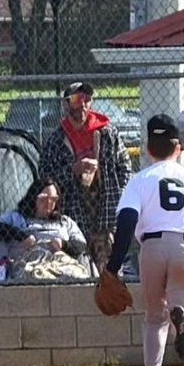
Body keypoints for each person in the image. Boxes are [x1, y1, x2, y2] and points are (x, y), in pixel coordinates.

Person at [104, 115, 184, 366]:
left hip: (152, 248)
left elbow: (126, 223)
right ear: (178, 149)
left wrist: (113, 266)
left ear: (147, 149)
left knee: (154, 316)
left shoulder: (139, 180)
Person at [38, 81, 132, 273]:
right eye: (76, 99)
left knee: (110, 272)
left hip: (105, 213)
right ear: (65, 104)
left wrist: (117, 197)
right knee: (77, 270)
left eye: (87, 99)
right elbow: (45, 178)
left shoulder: (107, 134)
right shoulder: (56, 140)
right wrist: (73, 169)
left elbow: (125, 169)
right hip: (73, 214)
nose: (82, 104)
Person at [0, 177, 88, 282]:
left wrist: (63, 244)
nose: (49, 204)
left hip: (61, 261)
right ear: (33, 198)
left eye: (53, 199)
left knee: (76, 275)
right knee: (35, 275)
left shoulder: (64, 222)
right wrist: (22, 237)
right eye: (43, 199)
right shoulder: (17, 217)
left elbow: (81, 245)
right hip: (30, 261)